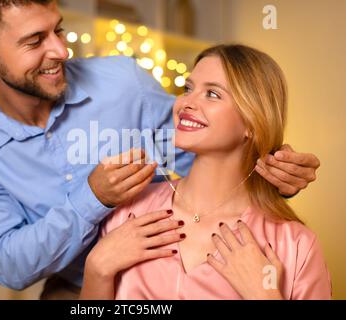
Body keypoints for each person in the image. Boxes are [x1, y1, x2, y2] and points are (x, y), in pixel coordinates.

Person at [0, 0, 321, 298]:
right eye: (34, 41)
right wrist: (93, 205)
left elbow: (203, 151)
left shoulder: (123, 82)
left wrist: (270, 170)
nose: (60, 50)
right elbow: (10, 266)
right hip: (76, 287)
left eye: (57, 30)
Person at [80, 44, 331, 300]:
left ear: (253, 123)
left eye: (212, 94)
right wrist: (97, 268)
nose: (186, 102)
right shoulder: (128, 212)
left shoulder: (294, 244)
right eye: (188, 89)